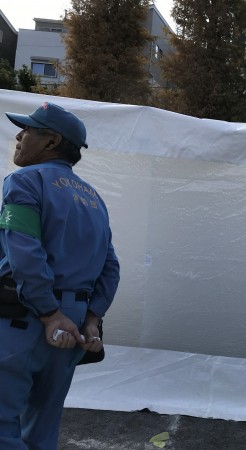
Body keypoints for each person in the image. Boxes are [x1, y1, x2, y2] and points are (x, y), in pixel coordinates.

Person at [0, 102, 120, 450]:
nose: (19, 137)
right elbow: (110, 266)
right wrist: (92, 320)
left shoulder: (25, 181)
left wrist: (49, 314)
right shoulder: (94, 199)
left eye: (27, 130)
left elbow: (24, 252)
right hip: (74, 325)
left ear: (51, 141)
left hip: (26, 317)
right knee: (42, 427)